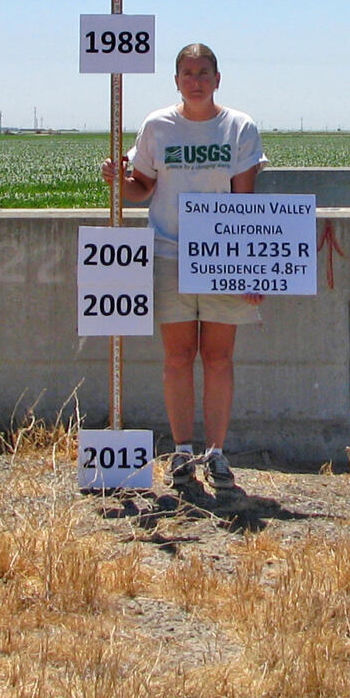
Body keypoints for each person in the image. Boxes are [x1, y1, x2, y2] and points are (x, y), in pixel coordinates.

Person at [101, 43, 266, 491]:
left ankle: (216, 452)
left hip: (220, 259)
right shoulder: (158, 126)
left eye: (204, 72)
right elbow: (142, 189)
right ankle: (182, 450)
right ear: (176, 80)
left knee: (218, 358)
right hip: (169, 254)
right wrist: (119, 181)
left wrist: (250, 267)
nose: (196, 80)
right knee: (177, 357)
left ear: (217, 78)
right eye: (187, 73)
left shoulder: (239, 127)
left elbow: (243, 204)